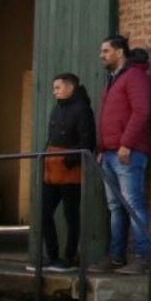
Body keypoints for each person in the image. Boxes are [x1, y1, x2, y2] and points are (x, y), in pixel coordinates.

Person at [99, 35, 151, 275]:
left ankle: (143, 258)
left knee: (133, 203)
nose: (101, 55)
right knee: (115, 207)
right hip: (109, 153)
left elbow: (141, 112)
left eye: (106, 51)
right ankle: (116, 257)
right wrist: (101, 149)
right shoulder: (113, 79)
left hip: (127, 153)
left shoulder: (135, 77)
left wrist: (126, 144)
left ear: (120, 52)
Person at [35, 73, 96, 272]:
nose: (54, 92)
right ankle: (52, 256)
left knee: (71, 216)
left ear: (69, 88)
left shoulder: (82, 110)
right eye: (54, 88)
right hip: (51, 168)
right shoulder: (57, 109)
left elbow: (88, 140)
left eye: (57, 88)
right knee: (44, 213)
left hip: (69, 170)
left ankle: (69, 258)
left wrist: (68, 160)